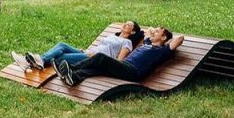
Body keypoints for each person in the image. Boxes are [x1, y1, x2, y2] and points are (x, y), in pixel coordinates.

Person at [54, 26, 184, 86]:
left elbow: (180, 39)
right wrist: (154, 31)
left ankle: (72, 68)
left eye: (158, 32)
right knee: (98, 68)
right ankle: (74, 77)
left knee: (100, 58)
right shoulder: (148, 43)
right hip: (124, 66)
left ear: (164, 37)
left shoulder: (163, 51)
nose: (154, 32)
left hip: (133, 71)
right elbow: (149, 30)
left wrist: (165, 38)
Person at [10, 21, 142, 71]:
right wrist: (86, 50)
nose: (125, 24)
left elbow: (118, 61)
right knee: (62, 44)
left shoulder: (127, 43)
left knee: (60, 57)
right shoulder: (112, 36)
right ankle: (38, 60)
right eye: (125, 22)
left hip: (94, 59)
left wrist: (96, 55)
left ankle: (31, 61)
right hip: (87, 53)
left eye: (129, 25)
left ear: (133, 31)